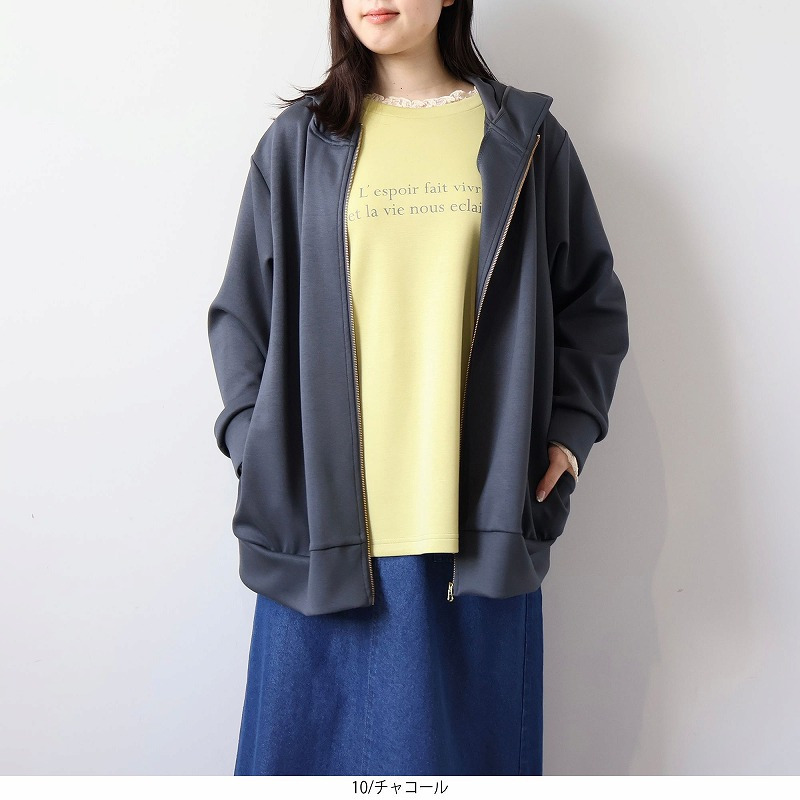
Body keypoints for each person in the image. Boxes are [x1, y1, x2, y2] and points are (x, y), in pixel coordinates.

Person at [207, 0, 629, 777]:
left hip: (475, 534)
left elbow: (591, 304)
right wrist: (255, 447)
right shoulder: (298, 144)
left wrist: (568, 436)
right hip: (324, 536)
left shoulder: (525, 141)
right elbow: (242, 315)